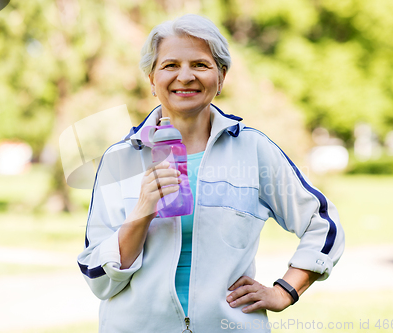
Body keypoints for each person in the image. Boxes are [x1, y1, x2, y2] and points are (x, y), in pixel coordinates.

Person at [77, 14, 345, 333]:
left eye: (200, 65)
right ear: (151, 78)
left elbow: (322, 225)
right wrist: (142, 211)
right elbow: (99, 279)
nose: (185, 76)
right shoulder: (120, 159)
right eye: (170, 65)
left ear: (221, 76)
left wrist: (285, 291)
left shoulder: (253, 150)